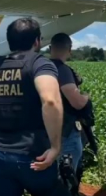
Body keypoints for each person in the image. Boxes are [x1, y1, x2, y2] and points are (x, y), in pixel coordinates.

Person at [0, 18, 67, 196]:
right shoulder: (39, 63)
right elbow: (50, 101)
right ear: (37, 41)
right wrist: (55, 147)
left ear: (9, 42)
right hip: (34, 156)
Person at [48, 33, 88, 172]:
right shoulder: (62, 70)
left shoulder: (40, 68)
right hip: (64, 133)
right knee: (66, 178)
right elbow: (77, 102)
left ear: (49, 48)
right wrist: (86, 97)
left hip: (43, 133)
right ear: (69, 50)